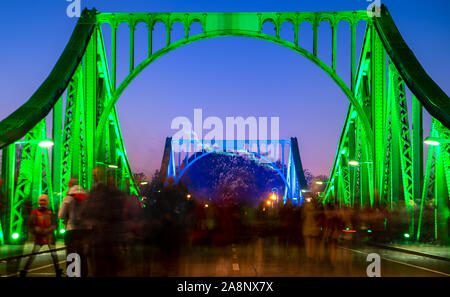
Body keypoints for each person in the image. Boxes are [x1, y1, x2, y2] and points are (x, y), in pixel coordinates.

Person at [20, 194, 63, 277]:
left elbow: (54, 224)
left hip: (47, 236)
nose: (43, 203)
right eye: (41, 201)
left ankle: (24, 271)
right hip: (43, 237)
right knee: (51, 255)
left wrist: (44, 230)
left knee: (51, 255)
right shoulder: (39, 212)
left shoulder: (46, 212)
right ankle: (58, 270)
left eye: (44, 201)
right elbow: (32, 224)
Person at [58, 177, 89, 277]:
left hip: (71, 230)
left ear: (70, 185)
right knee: (82, 255)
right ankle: (83, 274)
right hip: (84, 231)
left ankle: (71, 275)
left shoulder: (68, 198)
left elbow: (61, 215)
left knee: (71, 255)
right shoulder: (86, 198)